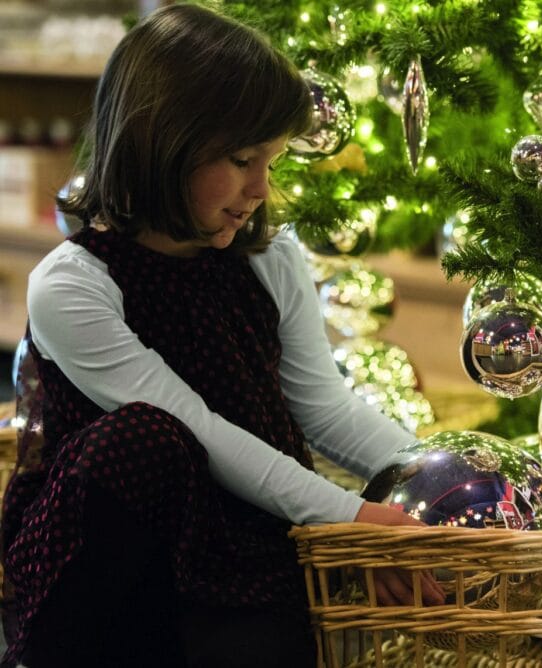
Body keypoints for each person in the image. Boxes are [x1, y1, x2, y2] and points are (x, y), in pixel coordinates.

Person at [0, 5, 443, 667]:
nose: (261, 188)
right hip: (114, 562)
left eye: (271, 162)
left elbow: (324, 409)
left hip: (246, 547)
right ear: (161, 141)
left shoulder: (268, 258)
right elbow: (196, 430)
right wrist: (348, 516)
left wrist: (439, 478)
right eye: (241, 160)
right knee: (146, 435)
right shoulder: (74, 283)